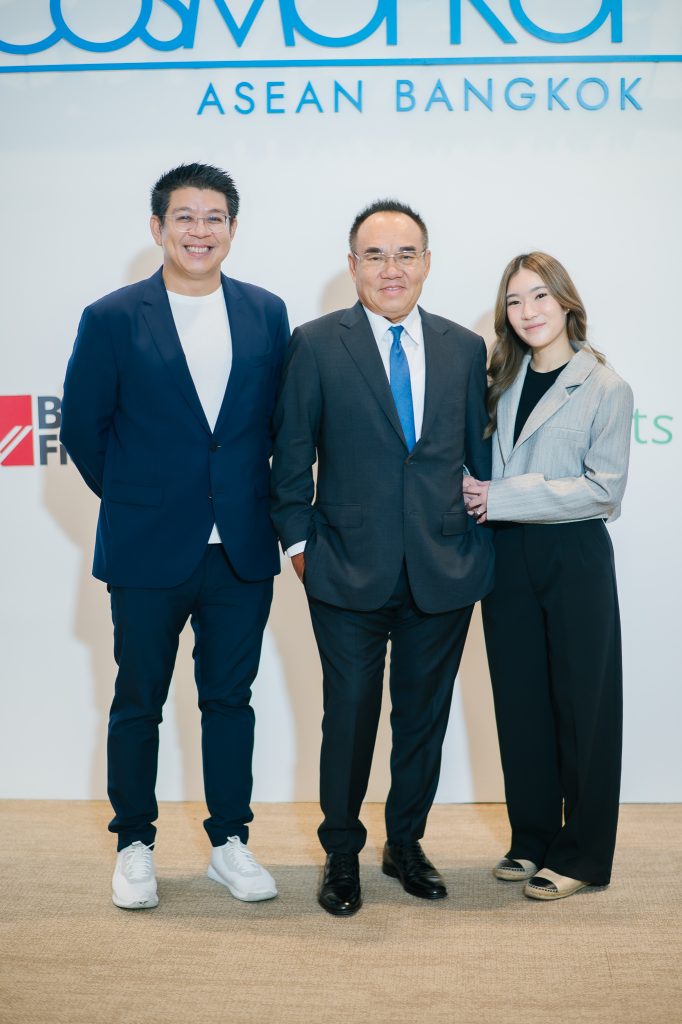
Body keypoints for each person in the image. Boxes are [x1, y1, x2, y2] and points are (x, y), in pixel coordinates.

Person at [60, 162, 290, 909]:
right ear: (157, 227)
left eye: (214, 217)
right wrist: (144, 500)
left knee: (230, 701)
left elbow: (278, 425)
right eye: (185, 217)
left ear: (232, 228)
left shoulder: (266, 312)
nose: (200, 230)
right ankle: (134, 844)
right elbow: (85, 429)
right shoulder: (112, 317)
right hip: (148, 547)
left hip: (241, 548)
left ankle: (230, 842)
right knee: (138, 702)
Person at [270, 199, 494, 915]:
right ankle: (341, 852)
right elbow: (291, 459)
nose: (390, 269)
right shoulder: (315, 344)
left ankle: (405, 843)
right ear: (352, 265)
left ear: (426, 263)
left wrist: (477, 538)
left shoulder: (465, 348)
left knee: (423, 719)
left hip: (443, 568)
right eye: (375, 255)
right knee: (349, 716)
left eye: (405, 254)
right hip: (343, 569)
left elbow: (478, 457)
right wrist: (301, 549)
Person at [463, 251, 633, 901]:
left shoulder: (606, 387)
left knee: (584, 706)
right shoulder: (498, 380)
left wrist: (501, 497)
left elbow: (604, 491)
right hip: (506, 556)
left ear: (565, 302)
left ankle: (583, 854)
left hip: (574, 556)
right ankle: (531, 837)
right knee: (521, 702)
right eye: (514, 300)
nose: (527, 311)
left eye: (539, 296)